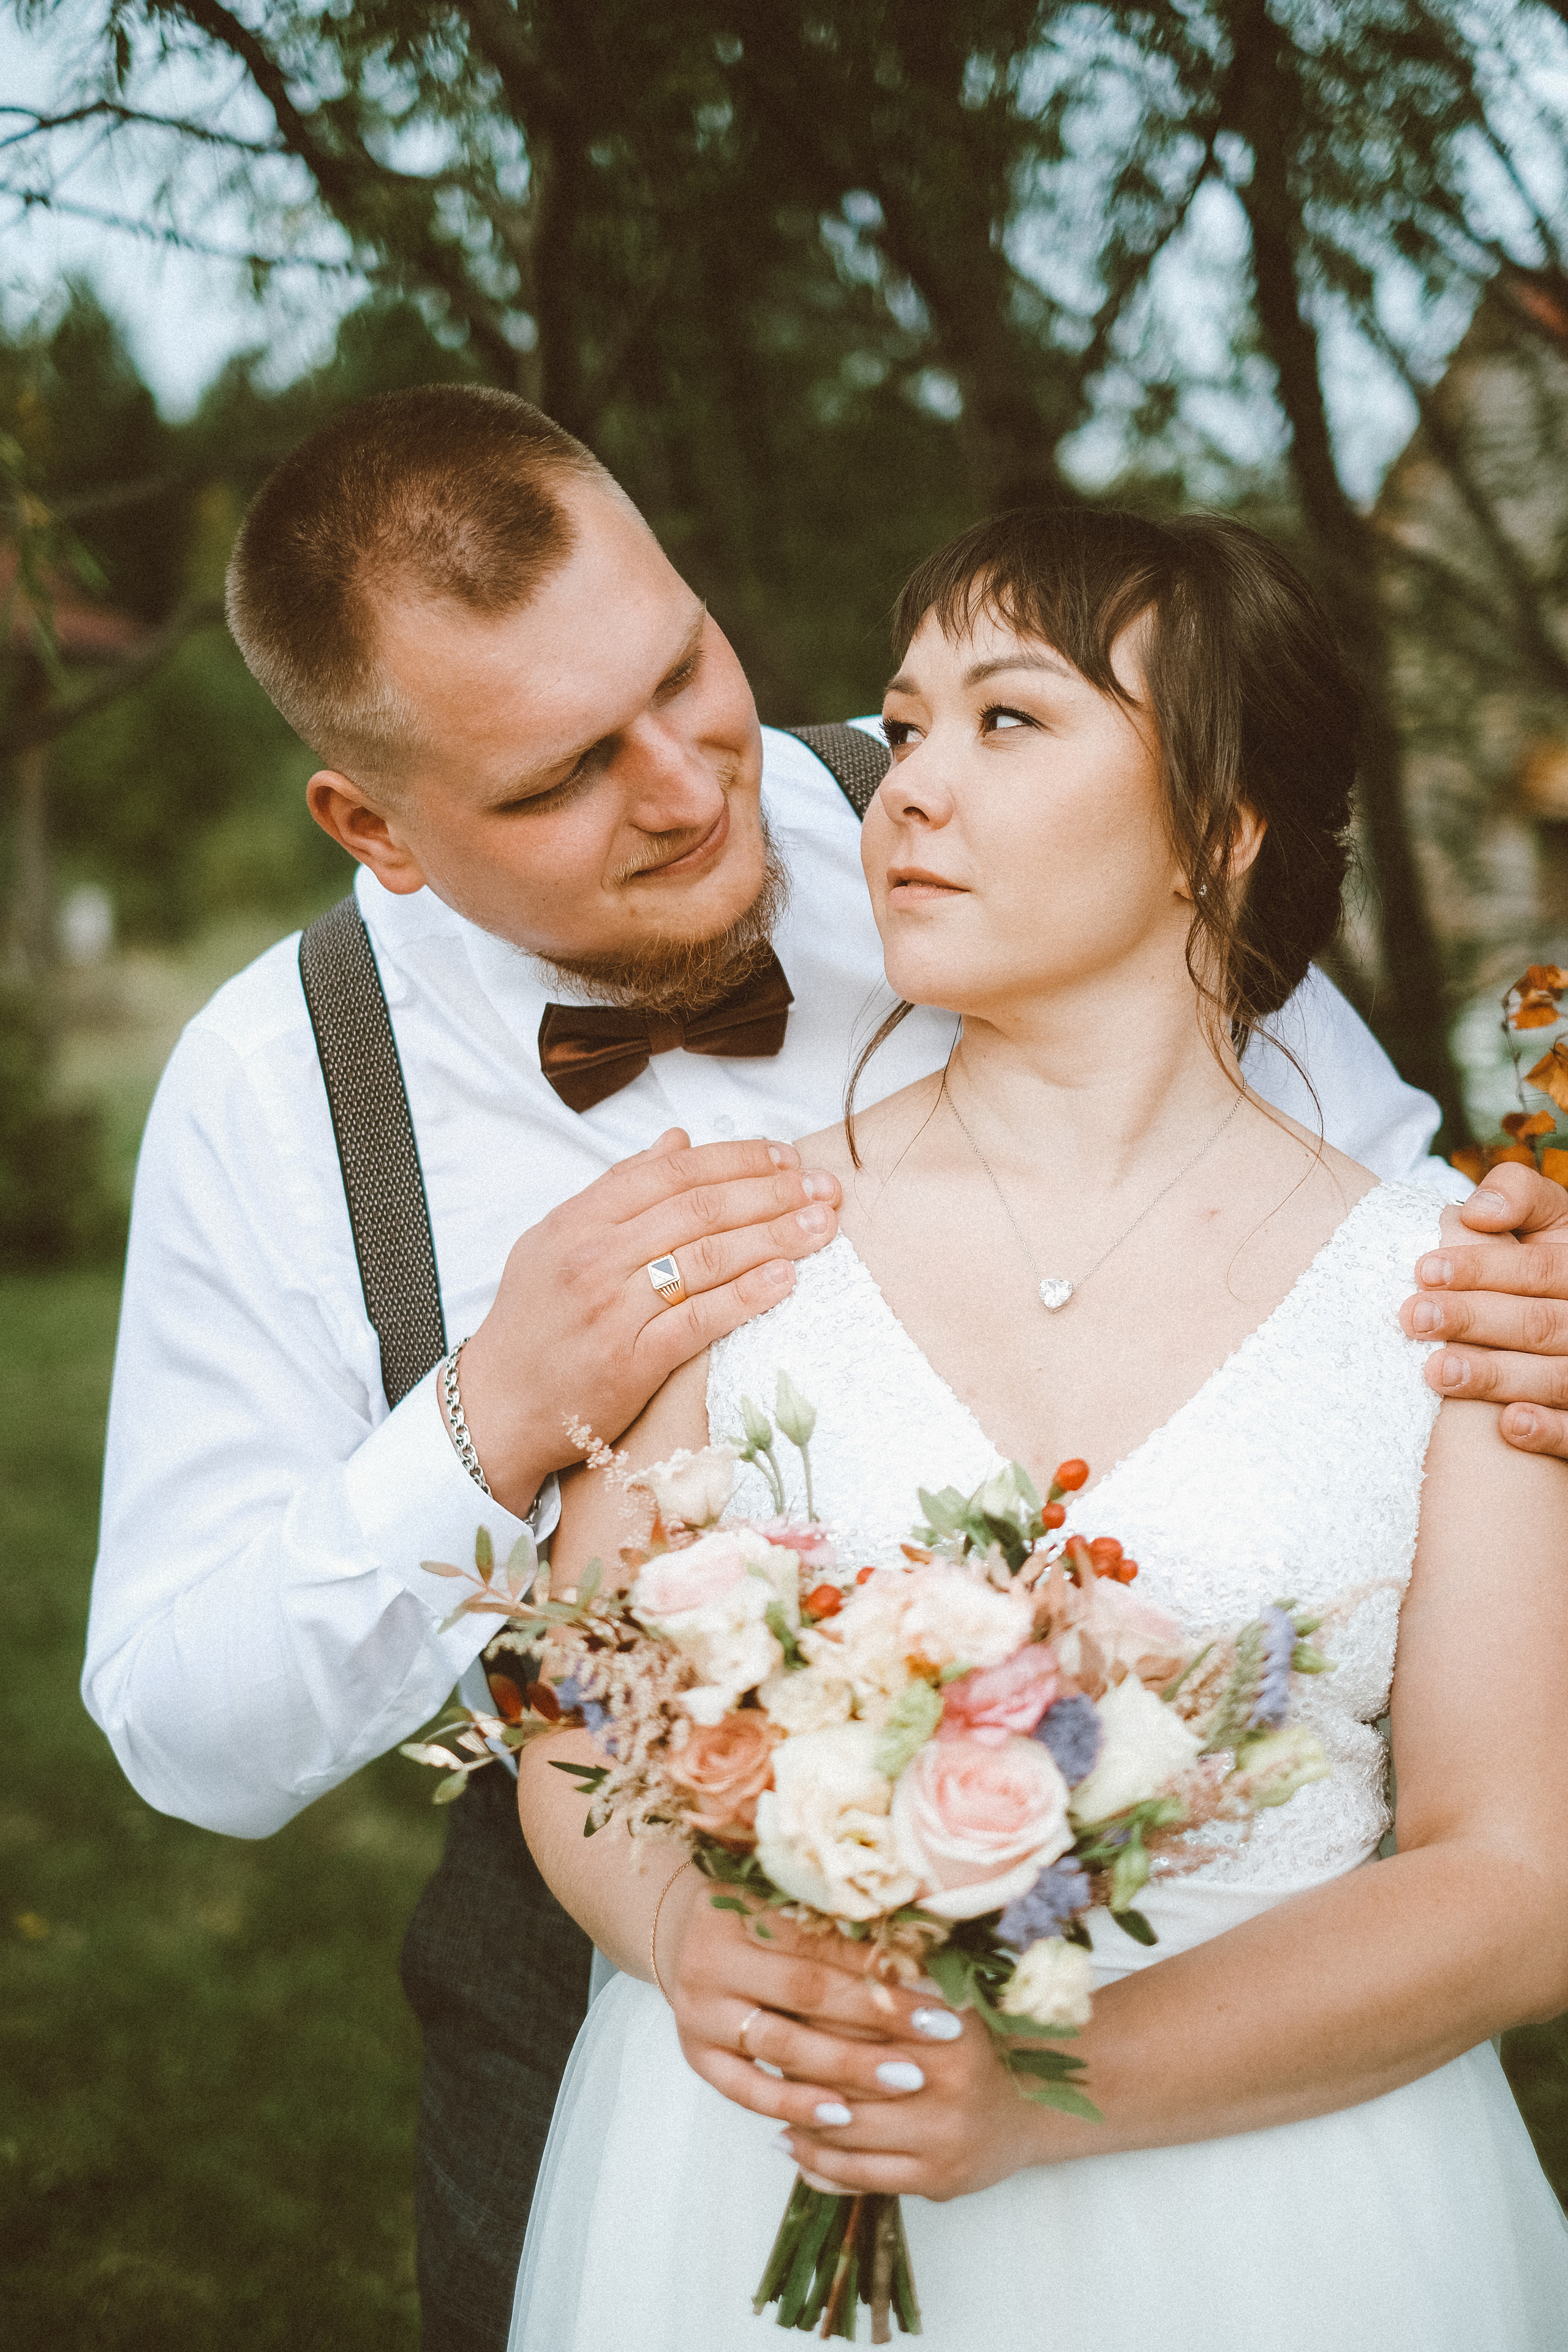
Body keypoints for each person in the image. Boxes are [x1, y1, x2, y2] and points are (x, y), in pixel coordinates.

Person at [79, 388, 1568, 2352]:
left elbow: (1381, 1272)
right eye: (562, 779)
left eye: (684, 675)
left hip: (1285, 2119)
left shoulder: (992, 821)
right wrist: (488, 1416)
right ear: (377, 826)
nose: (693, 789)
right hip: (666, 2015)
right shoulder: (280, 1097)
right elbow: (213, 1726)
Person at [511, 507, 1568, 2350]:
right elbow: (576, 1705)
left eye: (1009, 720)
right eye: (907, 724)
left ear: (1220, 828)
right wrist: (687, 1933)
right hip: (770, 2162)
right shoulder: (742, 1239)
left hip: (1287, 2222)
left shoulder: (1455, 1300)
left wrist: (1043, 2094)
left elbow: (1519, 1877)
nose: (907, 788)